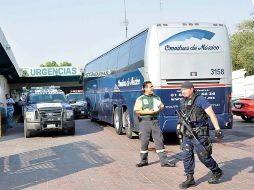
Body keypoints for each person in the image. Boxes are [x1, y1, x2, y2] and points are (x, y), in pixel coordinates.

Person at [177, 81, 224, 189]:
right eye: (181, 90)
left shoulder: (200, 99)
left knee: (204, 156)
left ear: (192, 89)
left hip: (200, 133)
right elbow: (181, 117)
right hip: (187, 133)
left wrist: (217, 129)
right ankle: (190, 179)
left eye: (185, 89)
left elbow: (211, 113)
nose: (182, 91)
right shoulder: (182, 101)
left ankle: (217, 171)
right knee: (186, 155)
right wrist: (179, 128)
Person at [134, 81, 176, 167]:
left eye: (152, 86)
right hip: (145, 122)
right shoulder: (140, 99)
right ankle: (143, 161)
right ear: (145, 88)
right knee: (144, 142)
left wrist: (159, 109)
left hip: (155, 121)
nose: (152, 88)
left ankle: (164, 162)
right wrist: (149, 112)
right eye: (150, 87)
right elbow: (137, 110)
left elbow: (161, 106)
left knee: (159, 141)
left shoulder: (156, 97)